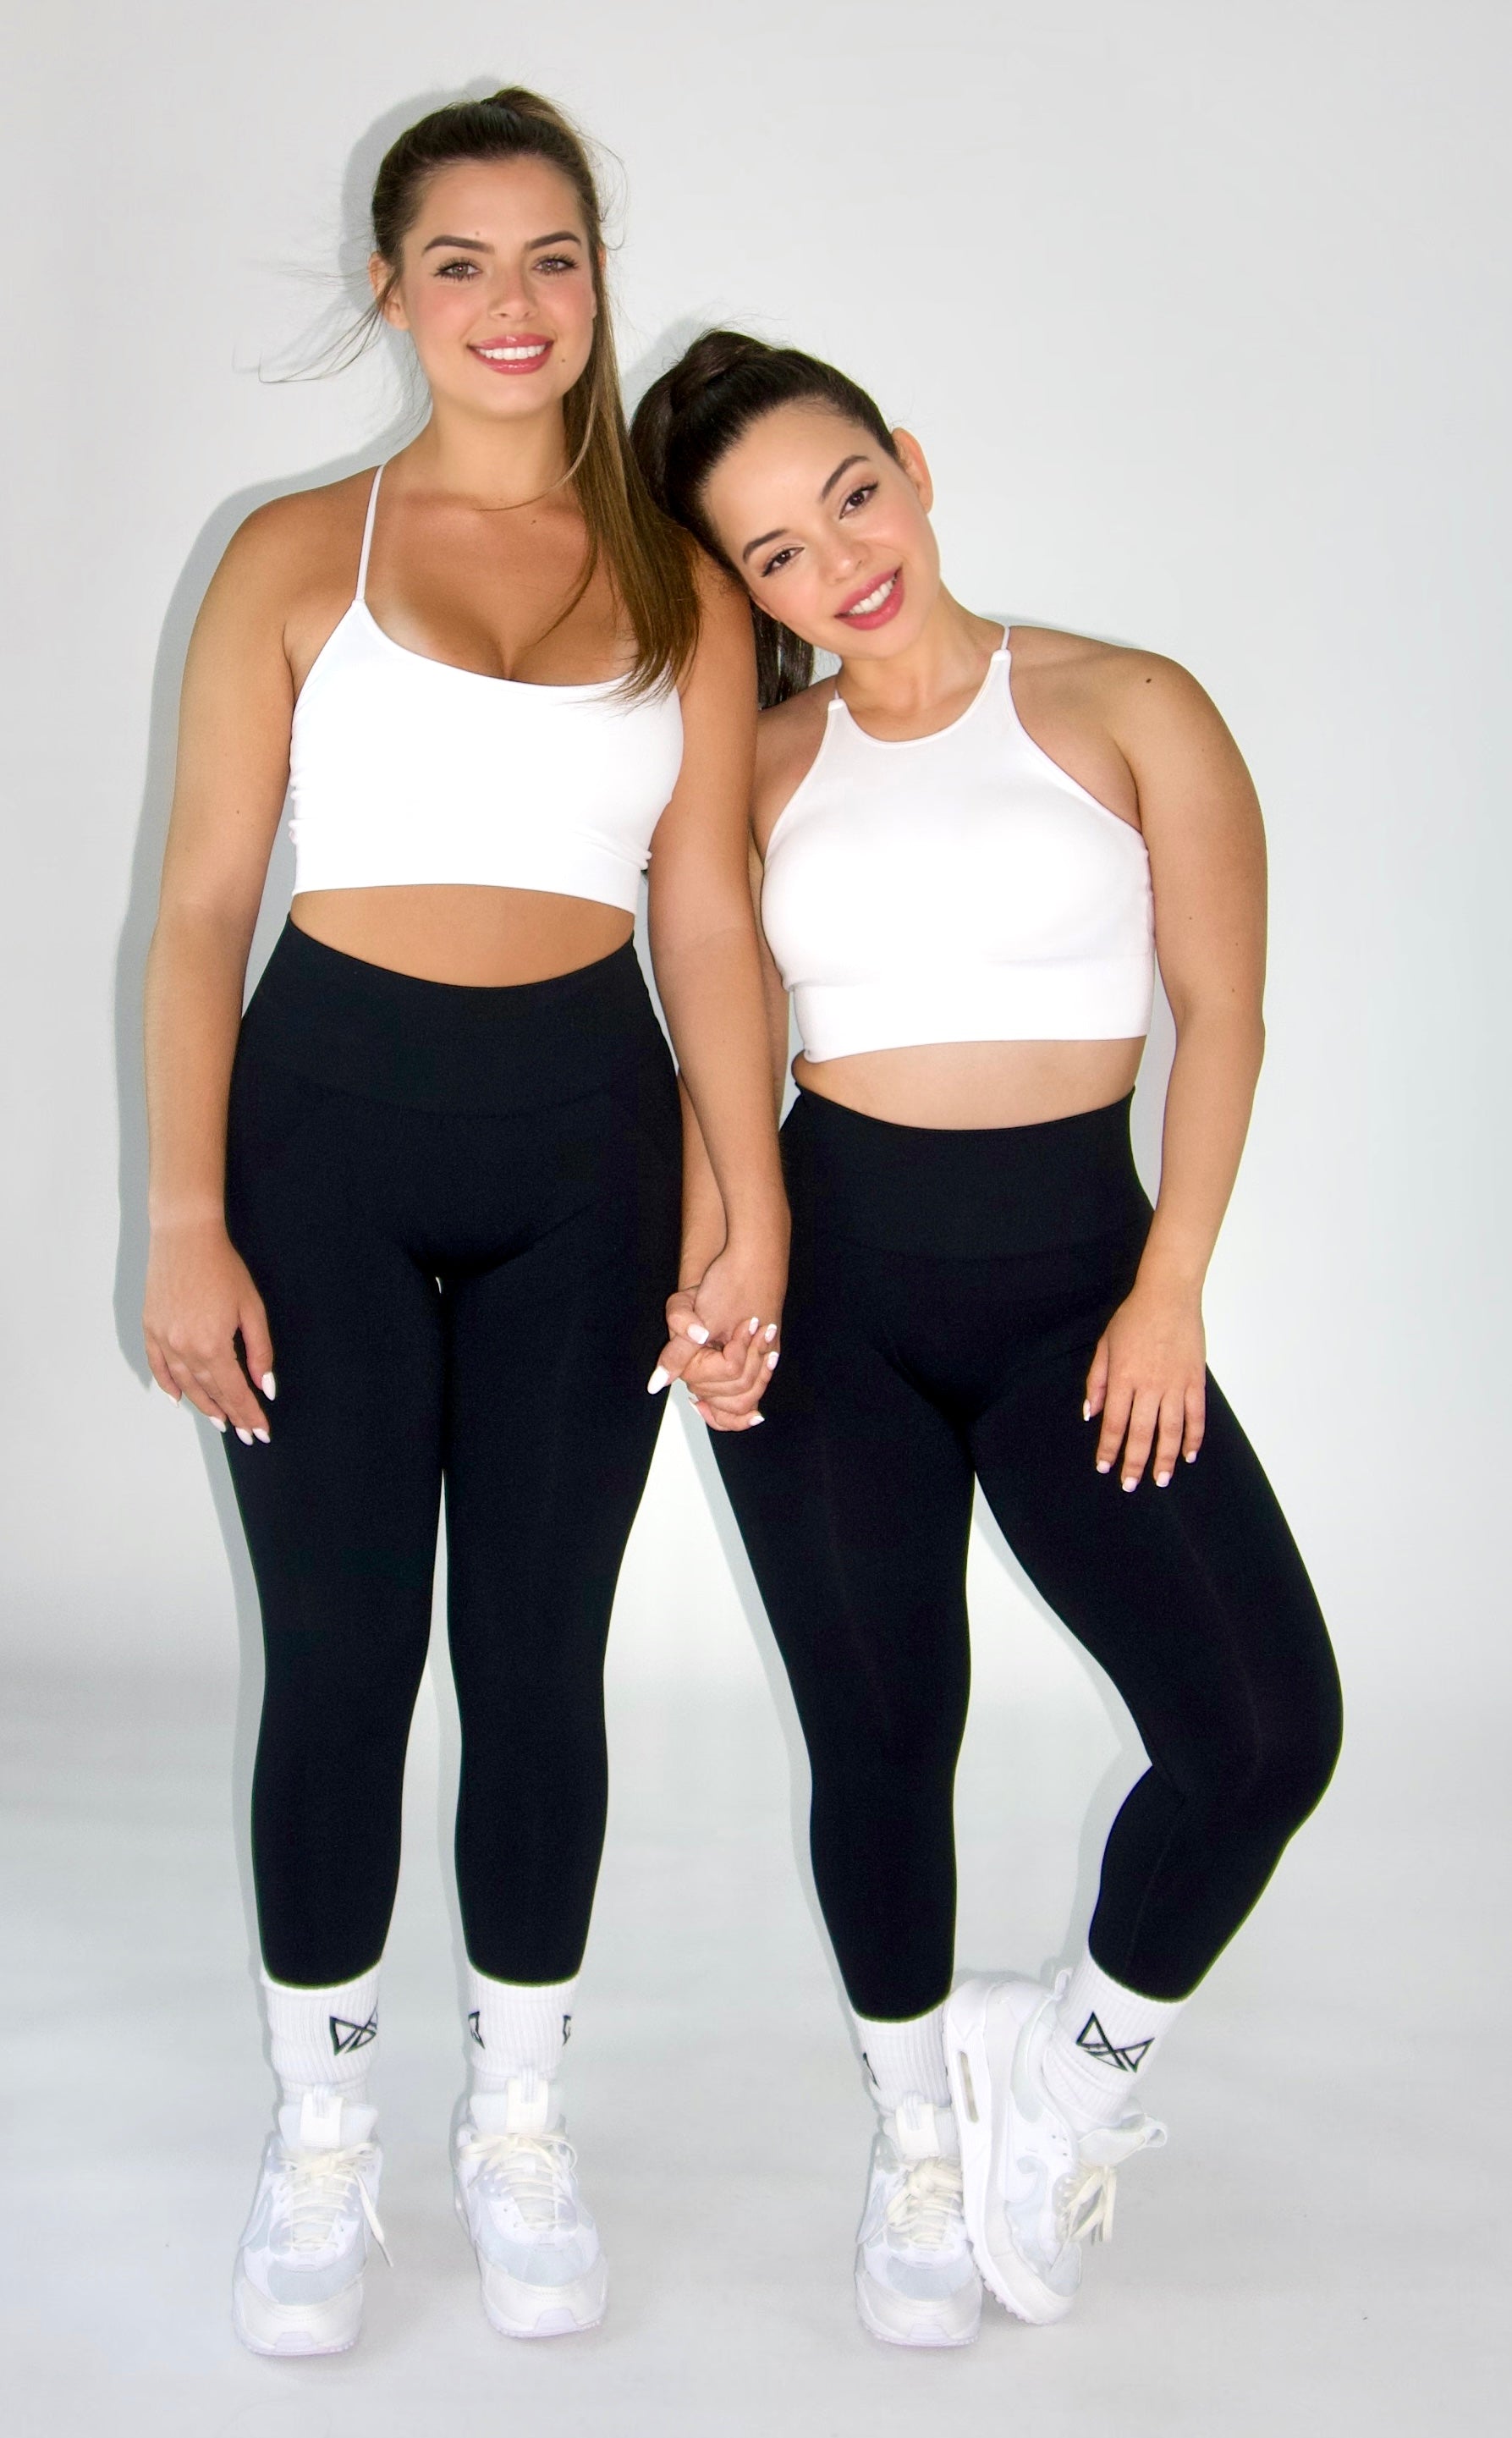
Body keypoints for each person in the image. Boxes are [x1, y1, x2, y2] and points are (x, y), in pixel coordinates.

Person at [142, 99, 783, 2358]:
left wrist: (749, 1205)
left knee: (532, 1660)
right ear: (390, 289)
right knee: (340, 1658)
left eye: (551, 257)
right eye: (459, 261)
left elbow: (710, 924)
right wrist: (185, 1212)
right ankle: (323, 2140)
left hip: (584, 1159)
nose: (512, 304)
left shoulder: (690, 590)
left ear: (597, 276)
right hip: (317, 1146)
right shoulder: (291, 553)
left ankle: (517, 2122)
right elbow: (200, 907)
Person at [633, 333, 1342, 2347]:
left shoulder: (1131, 705)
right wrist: (711, 1284)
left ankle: (1071, 2063)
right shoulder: (758, 768)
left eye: (851, 495)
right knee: (881, 1733)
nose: (838, 563)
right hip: (832, 1299)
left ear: (914, 465)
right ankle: (920, 2140)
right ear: (741, 592)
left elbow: (1226, 1014)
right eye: (774, 553)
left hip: (1081, 1297)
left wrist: (1170, 1286)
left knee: (1263, 1732)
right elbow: (715, 1052)